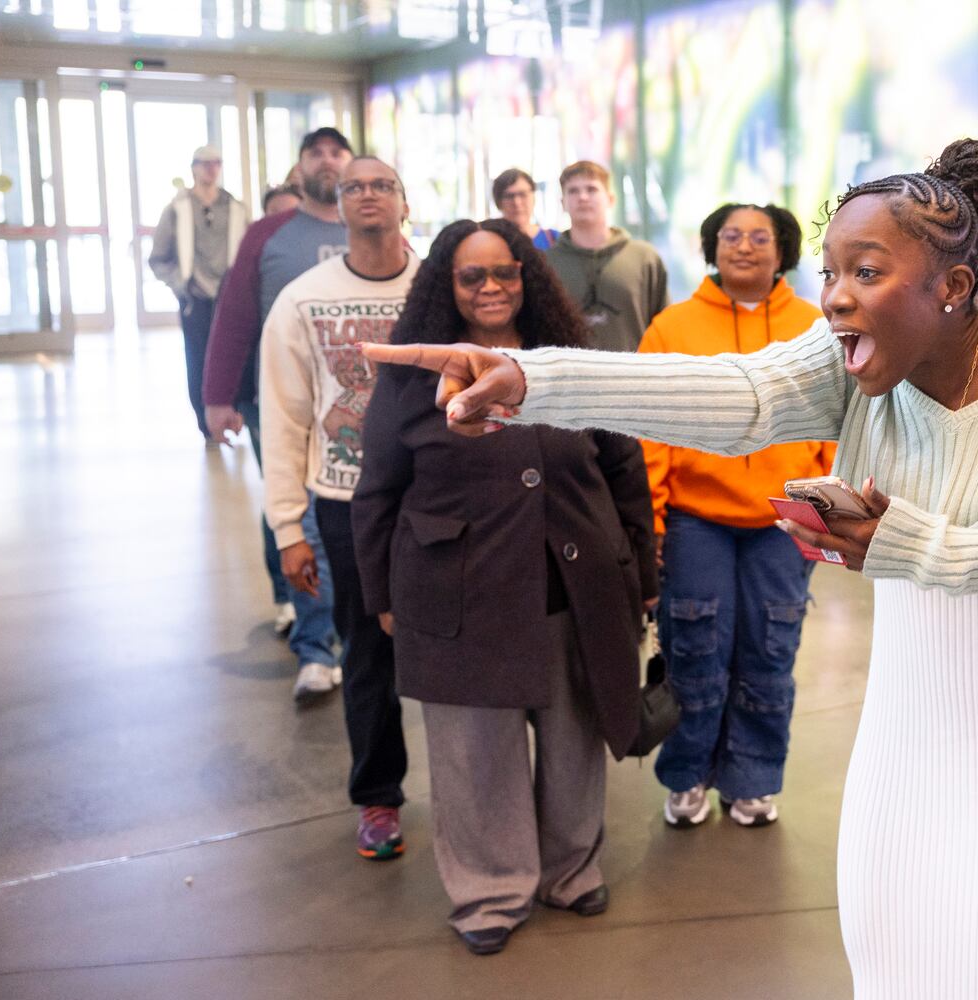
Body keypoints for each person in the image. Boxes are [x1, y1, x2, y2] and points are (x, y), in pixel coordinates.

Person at [362, 136, 978, 997]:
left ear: (953, 286)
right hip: (904, 736)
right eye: (829, 273)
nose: (834, 299)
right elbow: (737, 395)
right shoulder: (857, 361)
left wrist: (919, 546)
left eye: (866, 272)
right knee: (894, 962)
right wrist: (530, 377)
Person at [351, 218, 658, 957]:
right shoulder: (410, 376)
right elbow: (377, 492)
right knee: (472, 753)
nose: (491, 287)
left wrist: (643, 575)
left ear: (528, 278)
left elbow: (623, 469)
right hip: (457, 593)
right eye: (472, 276)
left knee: (574, 739)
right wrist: (382, 597)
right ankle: (491, 888)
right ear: (445, 286)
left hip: (573, 584)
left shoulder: (574, 358)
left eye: (506, 272)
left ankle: (570, 869)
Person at [642, 202, 833, 830]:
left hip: (784, 522)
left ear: (782, 251)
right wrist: (655, 519)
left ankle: (752, 778)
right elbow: (650, 427)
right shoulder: (672, 328)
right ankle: (689, 772)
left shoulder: (816, 325)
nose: (745, 248)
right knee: (694, 648)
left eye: (760, 237)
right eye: (731, 236)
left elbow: (840, 418)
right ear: (711, 246)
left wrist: (824, 510)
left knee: (770, 651)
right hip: (697, 518)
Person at [258, 156, 418, 860]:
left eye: (382, 184)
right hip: (348, 504)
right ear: (336, 205)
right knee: (367, 653)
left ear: (405, 203)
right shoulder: (301, 299)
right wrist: (288, 527)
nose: (368, 195)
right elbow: (285, 417)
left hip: (439, 499)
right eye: (354, 186)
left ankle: (493, 793)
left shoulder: (438, 289)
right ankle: (378, 797)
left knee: (466, 648)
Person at [204, 126, 353, 700]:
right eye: (315, 152)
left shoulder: (375, 226)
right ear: (299, 168)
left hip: (361, 410)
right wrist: (218, 397)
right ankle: (316, 648)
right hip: (282, 405)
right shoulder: (268, 235)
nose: (327, 160)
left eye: (337, 151)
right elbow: (236, 315)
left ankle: (358, 637)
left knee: (358, 524)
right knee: (302, 519)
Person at [147, 144, 249, 442]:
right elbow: (158, 257)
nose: (210, 169)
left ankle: (235, 416)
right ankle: (206, 424)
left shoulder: (235, 208)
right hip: (196, 300)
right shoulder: (177, 209)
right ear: (193, 167)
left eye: (216, 163)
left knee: (234, 357)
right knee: (198, 361)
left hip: (230, 297)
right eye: (204, 163)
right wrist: (180, 285)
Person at [544, 160, 667, 352]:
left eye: (591, 189)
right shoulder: (546, 263)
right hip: (568, 378)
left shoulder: (645, 258)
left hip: (636, 375)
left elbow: (665, 325)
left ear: (610, 199)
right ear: (563, 203)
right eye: (573, 191)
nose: (582, 197)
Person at [491, 168, 559, 250]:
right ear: (498, 201)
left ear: (533, 198)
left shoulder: (555, 239)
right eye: (509, 196)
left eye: (522, 194)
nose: (517, 202)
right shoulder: (488, 241)